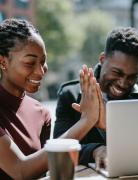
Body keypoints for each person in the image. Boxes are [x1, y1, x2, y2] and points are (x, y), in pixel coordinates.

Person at [0, 18, 95, 179]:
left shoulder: (41, 113)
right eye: (30, 63)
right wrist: (86, 121)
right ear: (3, 62)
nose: (40, 71)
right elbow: (20, 171)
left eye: (43, 62)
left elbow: (40, 173)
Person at [53, 27, 138, 169]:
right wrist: (94, 150)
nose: (123, 83)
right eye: (117, 72)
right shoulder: (70, 95)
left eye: (132, 76)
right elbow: (58, 147)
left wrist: (111, 126)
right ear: (103, 59)